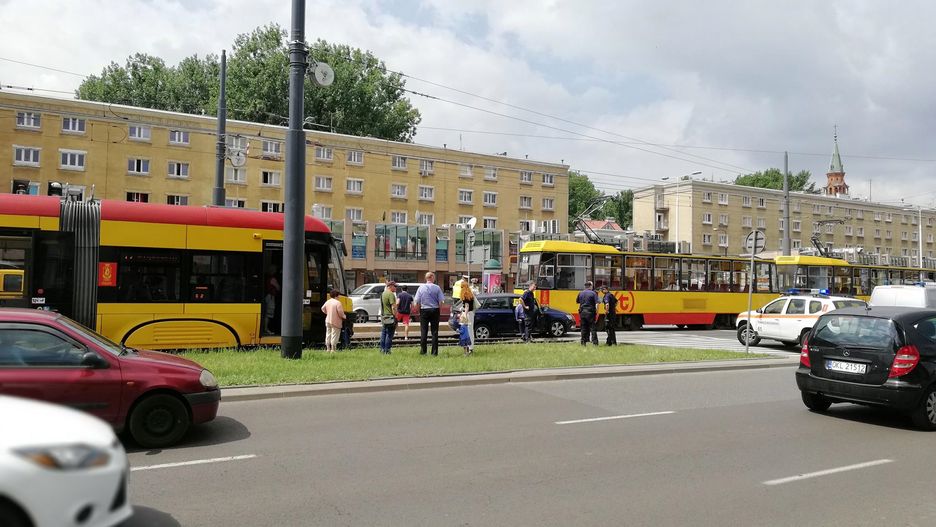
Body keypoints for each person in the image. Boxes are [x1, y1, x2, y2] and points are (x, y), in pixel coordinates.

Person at [413, 272, 445, 356]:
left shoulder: (421, 287)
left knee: (424, 331)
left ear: (426, 278)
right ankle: (434, 352)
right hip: (435, 309)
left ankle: (423, 352)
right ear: (432, 277)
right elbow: (441, 301)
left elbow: (416, 301)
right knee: (434, 332)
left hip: (424, 310)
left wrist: (418, 310)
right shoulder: (437, 288)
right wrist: (439, 310)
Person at [320, 289, 346, 353]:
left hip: (328, 320)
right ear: (336, 295)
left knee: (328, 334)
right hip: (335, 321)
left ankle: (328, 348)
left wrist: (327, 313)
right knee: (335, 335)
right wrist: (344, 316)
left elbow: (322, 308)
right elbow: (340, 313)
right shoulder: (338, 303)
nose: (339, 296)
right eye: (338, 295)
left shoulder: (328, 301)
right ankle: (333, 349)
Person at [577, 281, 600, 346]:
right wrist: (597, 312)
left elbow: (578, 301)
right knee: (593, 328)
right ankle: (595, 343)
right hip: (590, 312)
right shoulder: (593, 293)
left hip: (582, 312)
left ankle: (583, 342)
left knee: (583, 328)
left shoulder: (580, 293)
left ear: (585, 286)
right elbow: (597, 303)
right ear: (590, 286)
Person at [379, 281, 398, 354]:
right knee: (389, 334)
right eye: (395, 286)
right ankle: (387, 350)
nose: (396, 288)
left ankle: (382, 349)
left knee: (383, 333)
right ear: (390, 286)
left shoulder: (383, 294)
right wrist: (395, 316)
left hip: (384, 316)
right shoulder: (391, 294)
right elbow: (393, 307)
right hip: (390, 316)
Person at [459, 280, 478, 353]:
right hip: (471, 313)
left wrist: (465, 315)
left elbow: (467, 306)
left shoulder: (465, 295)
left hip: (467, 314)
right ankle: (471, 348)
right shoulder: (470, 294)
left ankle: (467, 348)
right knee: (470, 331)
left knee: (465, 332)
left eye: (461, 287)